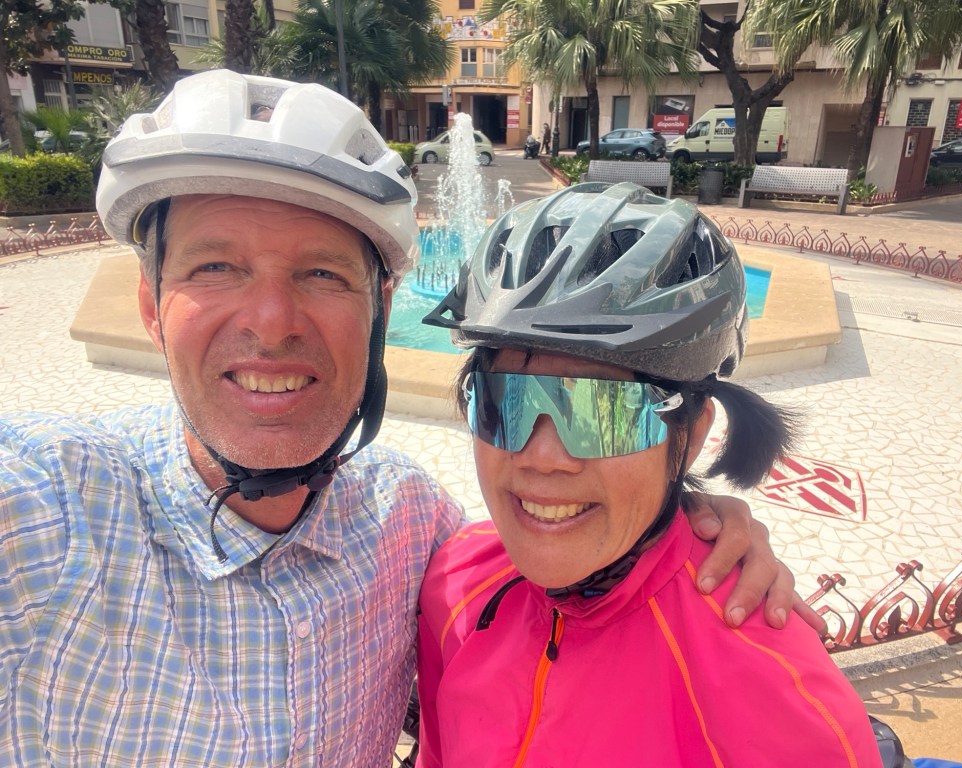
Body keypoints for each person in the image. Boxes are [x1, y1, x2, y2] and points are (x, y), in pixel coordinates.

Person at [0, 71, 797, 765]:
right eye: (215, 266)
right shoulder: (44, 512)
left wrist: (681, 525)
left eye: (321, 273)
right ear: (150, 306)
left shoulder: (411, 528)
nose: (272, 323)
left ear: (381, 311)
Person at [416, 182, 883, 766]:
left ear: (690, 436)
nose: (543, 457)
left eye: (605, 413)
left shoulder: (784, 705)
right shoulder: (453, 583)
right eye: (503, 403)